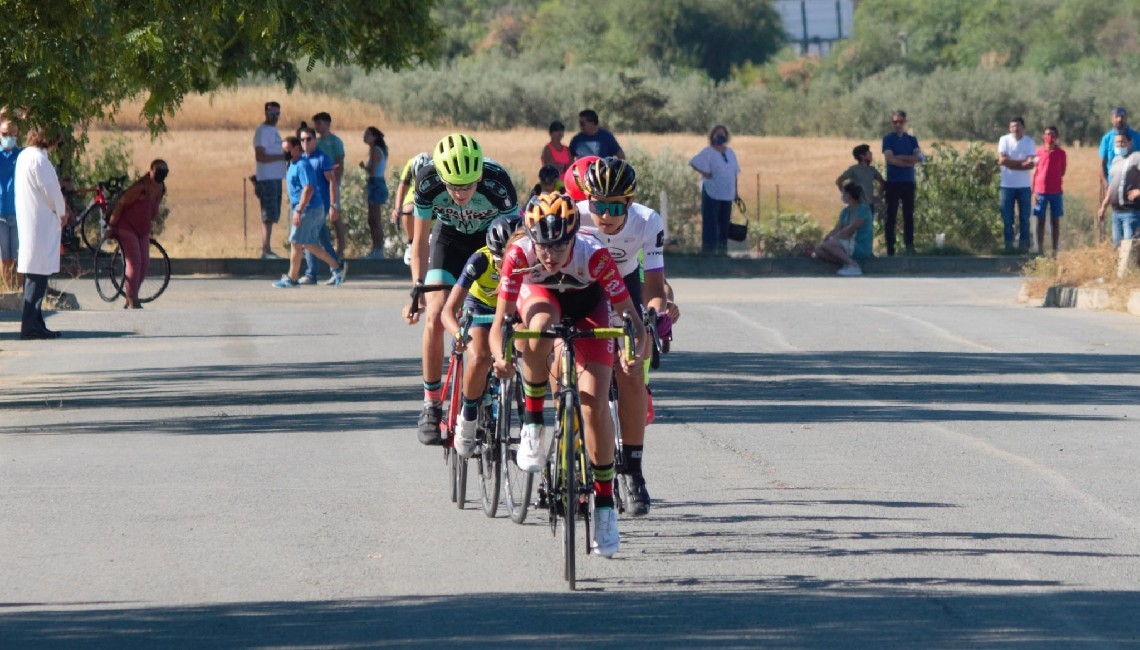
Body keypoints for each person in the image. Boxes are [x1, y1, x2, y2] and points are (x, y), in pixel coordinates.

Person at [490, 192, 646, 557]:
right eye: (543, 245)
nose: (550, 254)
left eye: (559, 245)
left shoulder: (595, 256)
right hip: (543, 298)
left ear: (574, 236)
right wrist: (500, 356)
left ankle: (605, 506)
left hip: (589, 306)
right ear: (531, 237)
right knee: (540, 325)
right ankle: (533, 423)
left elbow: (632, 321)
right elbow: (500, 325)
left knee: (593, 405)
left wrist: (634, 353)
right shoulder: (519, 256)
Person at [403, 133, 518, 446]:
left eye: (467, 185)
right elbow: (420, 244)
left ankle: (490, 388)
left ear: (479, 175)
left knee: (499, 315)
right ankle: (431, 404)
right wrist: (418, 286)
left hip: (489, 244)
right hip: (448, 243)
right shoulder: (426, 182)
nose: (460, 192)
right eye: (453, 185)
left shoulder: (499, 183)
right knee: (436, 315)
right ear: (441, 177)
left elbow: (515, 244)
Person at [577, 156, 671, 517]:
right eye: (597, 204)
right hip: (583, 288)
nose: (604, 214)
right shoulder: (575, 215)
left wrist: (650, 318)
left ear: (629, 203)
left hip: (626, 289)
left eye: (614, 206)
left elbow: (655, 287)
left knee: (631, 370)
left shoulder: (647, 222)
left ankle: (632, 470)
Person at [440, 215, 520, 456]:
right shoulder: (480, 260)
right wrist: (458, 334)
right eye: (499, 261)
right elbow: (448, 311)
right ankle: (469, 413)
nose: (504, 268)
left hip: (512, 308)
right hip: (481, 308)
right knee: (480, 357)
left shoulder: (531, 258)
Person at [14, 126, 69, 340]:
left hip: (32, 223)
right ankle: (30, 326)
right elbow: (53, 192)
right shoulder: (40, 161)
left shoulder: (25, 156)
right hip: (40, 224)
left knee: (36, 273)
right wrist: (62, 212)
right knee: (37, 276)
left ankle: (37, 322)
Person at [273, 136, 345, 288]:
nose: (284, 152)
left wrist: (299, 210)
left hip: (308, 209)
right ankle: (337, 268)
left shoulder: (302, 165)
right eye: (283, 149)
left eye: (287, 149)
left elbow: (309, 188)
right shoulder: (291, 164)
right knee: (309, 244)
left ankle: (292, 278)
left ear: (296, 149)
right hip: (308, 208)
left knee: (296, 243)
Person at [106, 160, 168, 309]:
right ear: (151, 171)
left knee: (145, 264)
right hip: (127, 227)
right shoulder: (141, 187)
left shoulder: (160, 188)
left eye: (165, 171)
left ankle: (133, 294)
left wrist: (149, 224)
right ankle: (132, 298)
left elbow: (153, 208)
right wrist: (112, 225)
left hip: (142, 230)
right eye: (159, 170)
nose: (162, 174)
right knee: (134, 262)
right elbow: (121, 202)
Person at [296, 126, 341, 285]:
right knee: (316, 239)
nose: (306, 142)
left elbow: (332, 182)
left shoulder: (322, 158)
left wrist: (333, 205)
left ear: (315, 140)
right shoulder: (301, 159)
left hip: (320, 205)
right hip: (307, 206)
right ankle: (324, 272)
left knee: (312, 239)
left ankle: (319, 272)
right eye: (302, 140)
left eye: (309, 139)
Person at [689, 125, 741, 255]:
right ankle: (709, 252)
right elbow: (694, 162)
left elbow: (734, 173)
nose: (720, 136)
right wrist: (705, 173)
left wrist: (736, 192)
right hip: (712, 192)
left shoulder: (730, 152)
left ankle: (723, 251)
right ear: (712, 136)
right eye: (717, 134)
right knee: (711, 222)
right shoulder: (708, 152)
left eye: (722, 134)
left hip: (727, 193)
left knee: (724, 223)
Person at [882, 110, 922, 256]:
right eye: (895, 122)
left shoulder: (912, 140)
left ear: (905, 122)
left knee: (908, 216)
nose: (898, 125)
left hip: (908, 182)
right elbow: (890, 159)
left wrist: (901, 159)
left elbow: (918, 158)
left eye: (900, 122)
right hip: (893, 182)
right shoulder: (888, 139)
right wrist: (908, 160)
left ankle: (909, 246)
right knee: (891, 216)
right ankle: (890, 249)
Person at [252, 101, 287, 259]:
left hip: (276, 177)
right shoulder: (262, 131)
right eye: (272, 113)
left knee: (273, 213)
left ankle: (268, 248)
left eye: (277, 114)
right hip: (267, 177)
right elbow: (260, 155)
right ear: (266, 112)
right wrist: (281, 156)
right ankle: (266, 250)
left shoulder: (274, 130)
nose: (275, 117)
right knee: (268, 213)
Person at [815, 183, 873, 277]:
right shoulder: (845, 211)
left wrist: (833, 240)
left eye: (845, 193)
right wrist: (826, 239)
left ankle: (853, 266)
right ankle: (847, 262)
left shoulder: (863, 210)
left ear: (850, 195)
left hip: (859, 245)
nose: (843, 196)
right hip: (846, 244)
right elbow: (837, 229)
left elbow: (849, 229)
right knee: (819, 250)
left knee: (830, 245)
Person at [998, 116, 1037, 252]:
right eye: (1013, 126)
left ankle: (1024, 248)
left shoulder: (1029, 142)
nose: (1016, 129)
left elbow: (1031, 164)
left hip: (1024, 186)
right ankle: (1009, 247)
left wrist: (1011, 164)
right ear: (1010, 128)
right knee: (1007, 219)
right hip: (1007, 186)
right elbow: (1002, 160)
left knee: (1024, 219)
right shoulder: (1004, 140)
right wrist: (1021, 164)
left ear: (1023, 127)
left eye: (1018, 126)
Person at [1097, 131, 1140, 248]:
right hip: (1116, 213)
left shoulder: (1136, 157)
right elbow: (1113, 185)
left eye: (1122, 141)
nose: (1119, 144)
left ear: (1130, 143)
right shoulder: (1115, 161)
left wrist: (1138, 191)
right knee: (1117, 248)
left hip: (1131, 213)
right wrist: (1103, 206)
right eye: (1117, 142)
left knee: (1129, 249)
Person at [312, 112, 346, 260]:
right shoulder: (315, 142)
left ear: (327, 123)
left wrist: (336, 182)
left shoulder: (335, 141)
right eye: (315, 123)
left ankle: (340, 249)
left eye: (319, 123)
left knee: (335, 216)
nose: (317, 126)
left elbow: (340, 163)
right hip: (318, 185)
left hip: (331, 183)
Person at [391, 152, 432, 266]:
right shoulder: (410, 164)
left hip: (432, 186)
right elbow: (402, 186)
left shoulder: (435, 165)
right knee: (408, 210)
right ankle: (411, 243)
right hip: (415, 189)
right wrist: (397, 208)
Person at [1031, 125, 1067, 255]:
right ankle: (1039, 249)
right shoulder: (1038, 152)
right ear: (1043, 136)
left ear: (1056, 137)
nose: (1049, 137)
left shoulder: (1061, 153)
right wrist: (1033, 191)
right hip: (1040, 192)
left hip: (1056, 192)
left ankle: (1054, 250)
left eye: (1052, 134)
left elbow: (1062, 171)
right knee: (1040, 221)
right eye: (1047, 134)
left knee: (1055, 221)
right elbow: (1034, 171)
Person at [835, 144, 885, 223]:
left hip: (869, 204)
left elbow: (882, 182)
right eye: (869, 153)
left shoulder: (872, 170)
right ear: (862, 156)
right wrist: (846, 194)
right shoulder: (854, 169)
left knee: (868, 227)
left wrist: (879, 196)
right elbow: (839, 180)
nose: (871, 154)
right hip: (857, 205)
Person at [360, 126, 389, 259]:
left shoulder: (375, 150)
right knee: (371, 219)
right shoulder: (375, 150)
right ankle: (375, 248)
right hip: (375, 182)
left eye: (368, 134)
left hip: (376, 183)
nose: (364, 136)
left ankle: (379, 249)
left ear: (374, 137)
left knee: (375, 219)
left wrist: (366, 168)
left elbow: (372, 170)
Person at [1, 118, 21, 291]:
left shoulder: (22, 155)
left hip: (18, 213)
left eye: (12, 134)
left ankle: (22, 293)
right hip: (0, 213)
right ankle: (8, 291)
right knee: (5, 256)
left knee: (19, 256)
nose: (8, 137)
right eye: (4, 134)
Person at [1099, 108, 1140, 191]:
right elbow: (1101, 164)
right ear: (1112, 119)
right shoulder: (1106, 139)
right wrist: (1106, 185)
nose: (1120, 119)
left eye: (1122, 117)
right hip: (1113, 185)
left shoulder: (1137, 137)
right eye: (1117, 116)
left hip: (1132, 186)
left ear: (1126, 119)